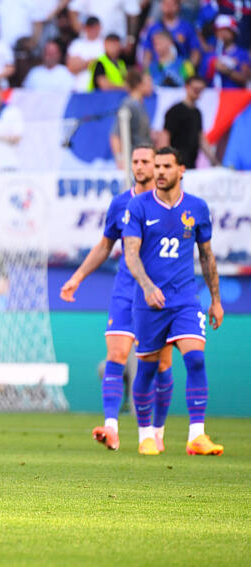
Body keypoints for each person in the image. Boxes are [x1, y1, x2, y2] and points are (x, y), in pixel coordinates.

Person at [60, 146, 173, 451]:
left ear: (159, 166)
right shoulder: (121, 203)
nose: (139, 166)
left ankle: (155, 432)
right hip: (126, 290)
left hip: (159, 293)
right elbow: (104, 245)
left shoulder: (170, 205)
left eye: (145, 162)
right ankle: (111, 428)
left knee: (161, 364)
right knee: (115, 355)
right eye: (135, 161)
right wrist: (77, 277)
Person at [122, 146, 224, 456]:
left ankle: (197, 435)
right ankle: (146, 436)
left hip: (184, 299)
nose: (161, 171)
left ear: (181, 170)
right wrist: (147, 285)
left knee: (195, 358)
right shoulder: (139, 207)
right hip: (149, 302)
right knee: (148, 371)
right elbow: (130, 253)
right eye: (158, 166)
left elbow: (206, 255)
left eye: (167, 166)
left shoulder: (197, 208)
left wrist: (216, 300)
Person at [162, 76, 218, 169]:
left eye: (200, 90)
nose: (198, 92)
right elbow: (165, 137)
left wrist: (213, 160)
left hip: (191, 163)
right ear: (187, 87)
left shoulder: (197, 113)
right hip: (177, 163)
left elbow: (200, 138)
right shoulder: (175, 111)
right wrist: (166, 161)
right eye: (195, 89)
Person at [110, 69, 154, 170]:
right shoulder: (129, 105)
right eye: (148, 82)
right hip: (134, 161)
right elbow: (115, 135)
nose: (151, 86)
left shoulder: (140, 105)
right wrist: (120, 159)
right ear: (139, 85)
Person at [140, 0, 201, 69]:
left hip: (180, 70)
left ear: (178, 6)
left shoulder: (186, 27)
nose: (168, 7)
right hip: (158, 70)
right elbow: (147, 52)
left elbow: (195, 51)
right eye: (166, 4)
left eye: (171, 4)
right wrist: (148, 70)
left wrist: (188, 68)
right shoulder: (154, 28)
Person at [202, 15, 251, 88]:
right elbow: (202, 78)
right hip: (213, 96)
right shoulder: (210, 54)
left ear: (233, 32)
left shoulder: (242, 54)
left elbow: (246, 79)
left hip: (235, 95)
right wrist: (213, 66)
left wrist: (228, 72)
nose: (222, 33)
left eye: (226, 30)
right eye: (219, 30)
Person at [66, 16, 105, 92]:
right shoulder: (77, 44)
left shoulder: (104, 43)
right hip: (79, 88)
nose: (92, 30)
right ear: (85, 28)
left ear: (100, 27)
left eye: (95, 27)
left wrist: (82, 63)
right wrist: (93, 62)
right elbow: (71, 67)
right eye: (90, 27)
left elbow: (106, 65)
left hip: (98, 90)